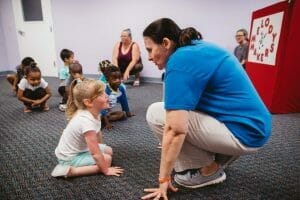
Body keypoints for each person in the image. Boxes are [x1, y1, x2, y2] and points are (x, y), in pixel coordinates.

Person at [142, 18, 271, 200]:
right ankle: (218, 160)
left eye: (149, 49)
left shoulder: (180, 60)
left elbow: (175, 129)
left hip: (244, 133)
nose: (148, 57)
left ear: (165, 43)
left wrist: (164, 178)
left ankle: (207, 171)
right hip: (254, 127)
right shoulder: (197, 48)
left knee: (156, 113)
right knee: (172, 115)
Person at [51, 79, 124, 177]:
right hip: (70, 158)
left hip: (81, 149)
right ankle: (72, 171)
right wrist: (106, 170)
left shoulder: (95, 113)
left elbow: (98, 135)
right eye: (102, 95)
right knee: (107, 160)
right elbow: (95, 153)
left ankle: (91, 162)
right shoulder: (86, 121)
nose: (107, 96)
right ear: (88, 102)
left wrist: (100, 149)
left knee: (109, 150)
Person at [100, 64, 134, 130]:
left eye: (119, 78)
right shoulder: (105, 90)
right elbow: (101, 107)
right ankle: (103, 120)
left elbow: (124, 101)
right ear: (107, 79)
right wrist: (107, 123)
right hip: (98, 110)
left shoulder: (121, 88)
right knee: (99, 116)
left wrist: (128, 113)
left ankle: (103, 119)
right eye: (115, 79)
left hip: (107, 112)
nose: (118, 80)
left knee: (122, 114)